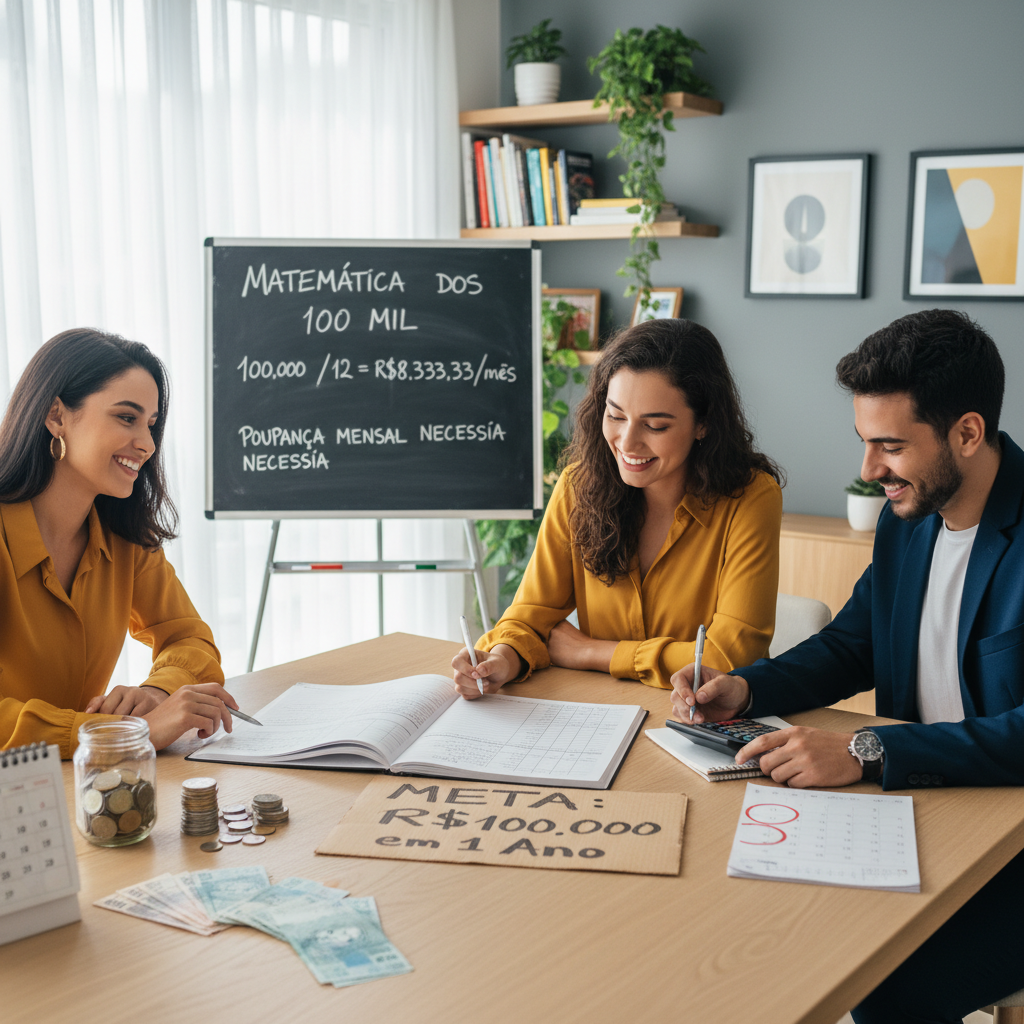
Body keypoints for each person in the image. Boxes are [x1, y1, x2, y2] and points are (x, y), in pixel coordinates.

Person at [670, 309, 1024, 1023]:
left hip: (1010, 848)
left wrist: (866, 750)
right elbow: (851, 645)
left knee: (878, 984)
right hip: (917, 816)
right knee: (749, 925)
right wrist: (744, 686)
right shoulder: (907, 523)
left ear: (967, 432)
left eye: (890, 446)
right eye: (864, 443)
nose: (868, 473)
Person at [452, 317, 784, 697]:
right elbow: (530, 616)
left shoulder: (751, 497)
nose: (627, 442)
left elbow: (727, 658)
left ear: (703, 424)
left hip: (705, 722)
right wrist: (502, 659)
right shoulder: (578, 487)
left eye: (655, 426)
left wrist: (593, 652)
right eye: (615, 415)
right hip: (604, 713)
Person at [0, 328, 239, 756]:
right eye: (126, 418)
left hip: (79, 791)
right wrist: (123, 735)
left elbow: (190, 640)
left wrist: (158, 694)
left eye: (151, 424)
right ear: (56, 416)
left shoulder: (124, 539)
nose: (147, 444)